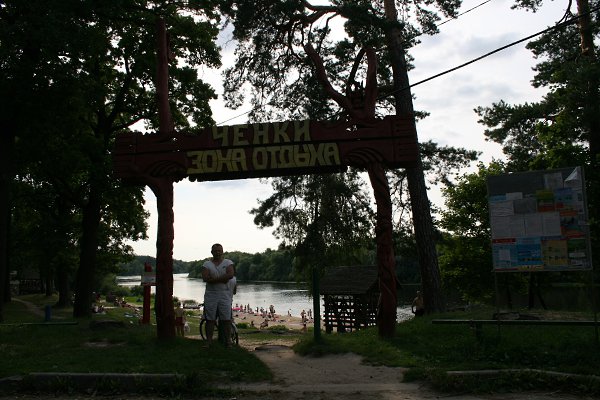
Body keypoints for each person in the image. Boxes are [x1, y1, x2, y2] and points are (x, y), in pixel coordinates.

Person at [201, 243, 235, 347]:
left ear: (222, 251)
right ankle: (208, 342)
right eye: (215, 251)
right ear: (211, 252)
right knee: (210, 319)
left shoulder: (228, 262)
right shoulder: (207, 264)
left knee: (226, 320)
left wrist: (213, 280)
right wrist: (223, 279)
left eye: (219, 250)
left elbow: (230, 274)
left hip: (225, 295)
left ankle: (228, 341)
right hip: (211, 295)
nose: (217, 253)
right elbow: (205, 278)